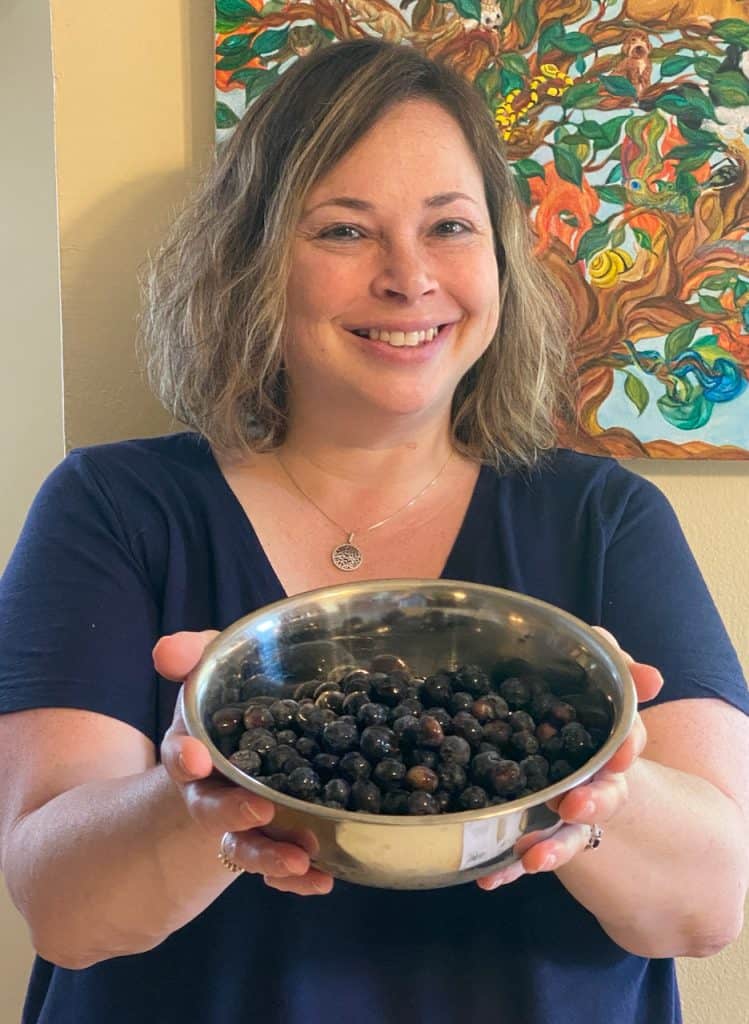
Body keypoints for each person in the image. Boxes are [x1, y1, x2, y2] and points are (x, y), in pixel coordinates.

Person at [0, 39, 747, 1024]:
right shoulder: (113, 506)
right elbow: (63, 911)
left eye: (448, 226)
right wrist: (193, 798)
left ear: (498, 255)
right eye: (344, 232)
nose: (408, 278)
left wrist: (603, 777)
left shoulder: (601, 518)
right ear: (256, 258)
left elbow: (705, 908)